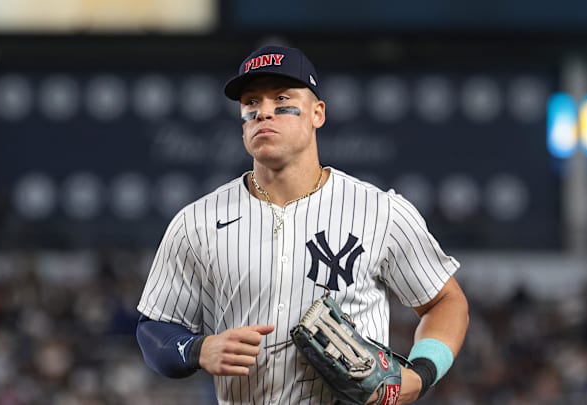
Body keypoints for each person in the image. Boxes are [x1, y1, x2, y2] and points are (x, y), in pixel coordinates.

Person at [136, 44, 469, 404]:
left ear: (317, 113)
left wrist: (420, 374)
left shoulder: (378, 211)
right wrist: (198, 349)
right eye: (251, 102)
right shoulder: (197, 222)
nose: (264, 112)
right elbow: (154, 329)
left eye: (282, 98)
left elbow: (446, 302)